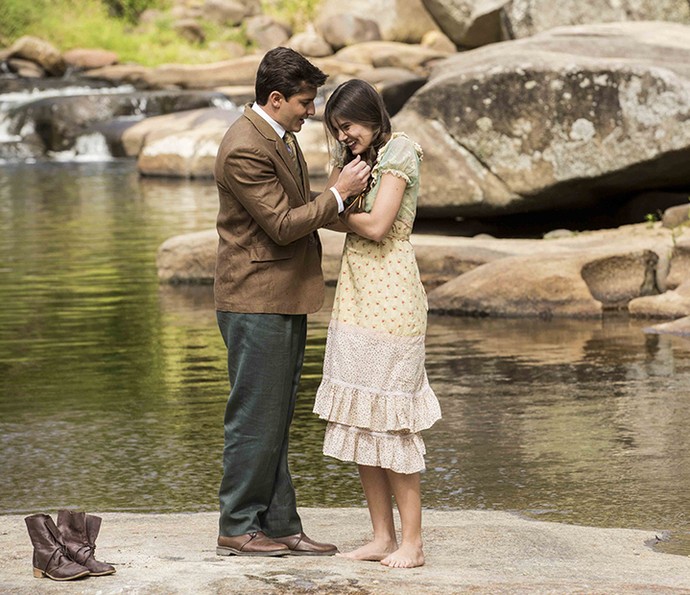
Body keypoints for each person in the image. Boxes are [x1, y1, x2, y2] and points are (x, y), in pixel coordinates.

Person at [213, 48, 371, 557]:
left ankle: (280, 524)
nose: (312, 111)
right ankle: (237, 525)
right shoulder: (244, 147)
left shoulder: (279, 135)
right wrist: (339, 194)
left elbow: (297, 210)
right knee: (253, 418)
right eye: (305, 102)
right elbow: (282, 225)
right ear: (276, 98)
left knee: (275, 417)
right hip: (255, 301)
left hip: (281, 298)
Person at [313, 79, 442, 569]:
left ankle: (413, 542)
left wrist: (331, 210)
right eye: (337, 130)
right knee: (362, 420)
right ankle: (381, 536)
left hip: (393, 299)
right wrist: (336, 194)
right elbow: (336, 201)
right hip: (355, 298)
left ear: (370, 115)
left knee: (393, 423)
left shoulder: (400, 151)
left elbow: (378, 224)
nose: (344, 136)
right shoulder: (354, 163)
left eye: (347, 126)